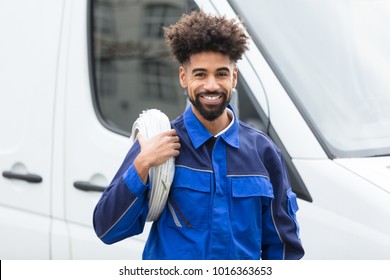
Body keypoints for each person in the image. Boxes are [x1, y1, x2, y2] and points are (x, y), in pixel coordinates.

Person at [93, 10, 304, 260]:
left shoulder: (263, 152)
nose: (211, 85)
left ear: (234, 77)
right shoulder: (157, 143)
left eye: (221, 74)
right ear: (184, 77)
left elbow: (283, 249)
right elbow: (107, 229)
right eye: (200, 74)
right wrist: (142, 163)